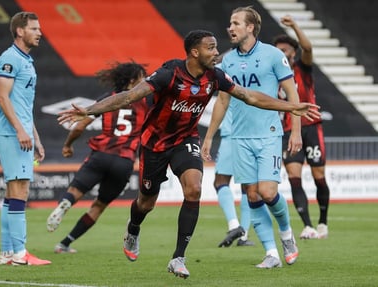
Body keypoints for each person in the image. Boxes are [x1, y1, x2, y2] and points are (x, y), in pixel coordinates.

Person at [57, 30, 320, 278]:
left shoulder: (215, 77)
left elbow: (249, 96)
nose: (216, 52)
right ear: (194, 52)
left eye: (216, 47)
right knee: (146, 203)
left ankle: (178, 257)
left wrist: (290, 107)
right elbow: (129, 96)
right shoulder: (168, 74)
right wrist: (90, 110)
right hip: (155, 144)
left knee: (193, 189)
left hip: (186, 140)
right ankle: (133, 229)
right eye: (211, 48)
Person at [202, 6, 305, 269]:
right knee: (252, 195)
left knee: (268, 191)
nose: (230, 28)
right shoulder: (227, 62)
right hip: (239, 137)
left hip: (269, 134)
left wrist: (295, 131)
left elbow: (292, 96)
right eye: (230, 23)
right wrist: (210, 136)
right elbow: (222, 101)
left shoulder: (273, 55)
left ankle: (286, 234)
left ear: (250, 27)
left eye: (236, 23)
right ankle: (271, 254)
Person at [46, 62, 149, 254]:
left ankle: (65, 203)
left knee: (75, 191)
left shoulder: (107, 99)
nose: (145, 81)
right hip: (124, 161)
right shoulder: (146, 102)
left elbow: (79, 126)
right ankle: (65, 243)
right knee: (99, 206)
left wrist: (68, 145)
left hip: (101, 155)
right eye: (142, 77)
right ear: (133, 80)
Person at [0, 11, 51, 266]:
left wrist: (35, 137)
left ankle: (7, 253)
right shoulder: (9, 58)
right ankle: (20, 254)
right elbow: (3, 98)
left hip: (21, 132)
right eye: (34, 29)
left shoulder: (26, 60)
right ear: (20, 31)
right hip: (11, 133)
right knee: (20, 190)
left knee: (12, 192)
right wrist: (19, 130)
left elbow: (23, 105)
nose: (40, 33)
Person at [274, 15, 330, 239]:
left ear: (293, 53)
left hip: (311, 127)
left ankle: (323, 222)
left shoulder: (302, 68)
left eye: (285, 50)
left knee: (319, 177)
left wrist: (294, 26)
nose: (282, 54)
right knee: (293, 176)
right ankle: (307, 226)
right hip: (287, 130)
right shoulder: (272, 73)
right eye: (278, 51)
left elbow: (307, 46)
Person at [214, 108, 255, 247]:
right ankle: (243, 236)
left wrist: (208, 137)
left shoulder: (230, 86)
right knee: (247, 186)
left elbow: (222, 103)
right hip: (251, 135)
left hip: (232, 134)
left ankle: (234, 225)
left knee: (220, 182)